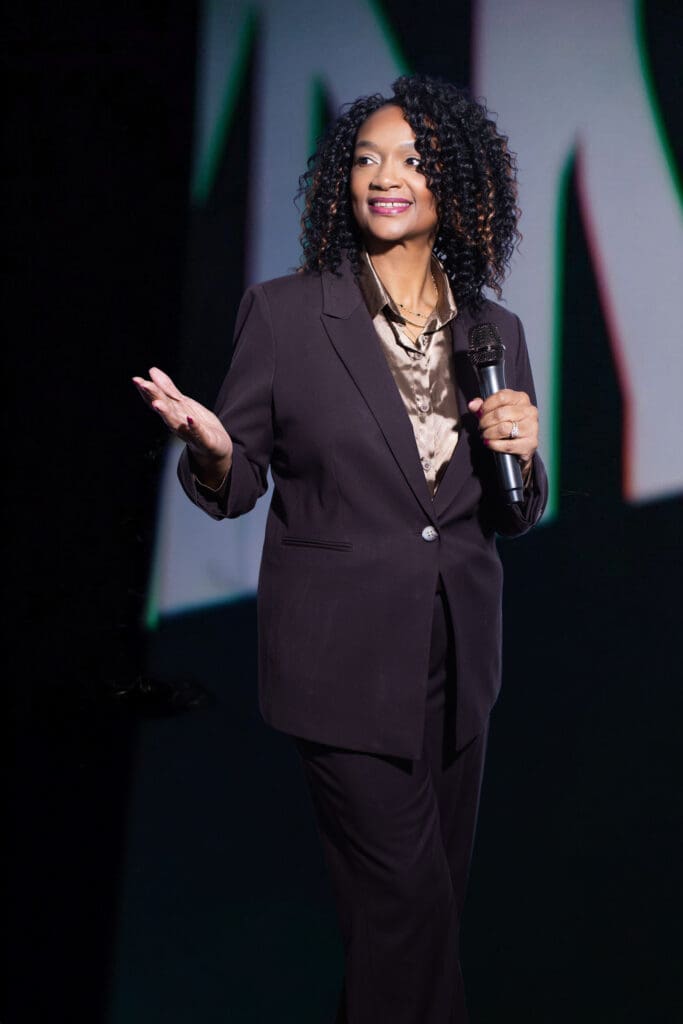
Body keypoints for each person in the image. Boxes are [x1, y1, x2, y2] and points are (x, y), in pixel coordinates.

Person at [134, 74, 547, 1024]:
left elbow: (509, 515)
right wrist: (215, 450)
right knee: (407, 914)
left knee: (412, 917)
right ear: (339, 181)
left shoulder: (497, 331)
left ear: (459, 184)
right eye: (365, 158)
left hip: (458, 667)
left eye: (411, 159)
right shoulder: (287, 314)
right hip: (341, 663)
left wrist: (526, 455)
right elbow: (235, 487)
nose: (383, 177)